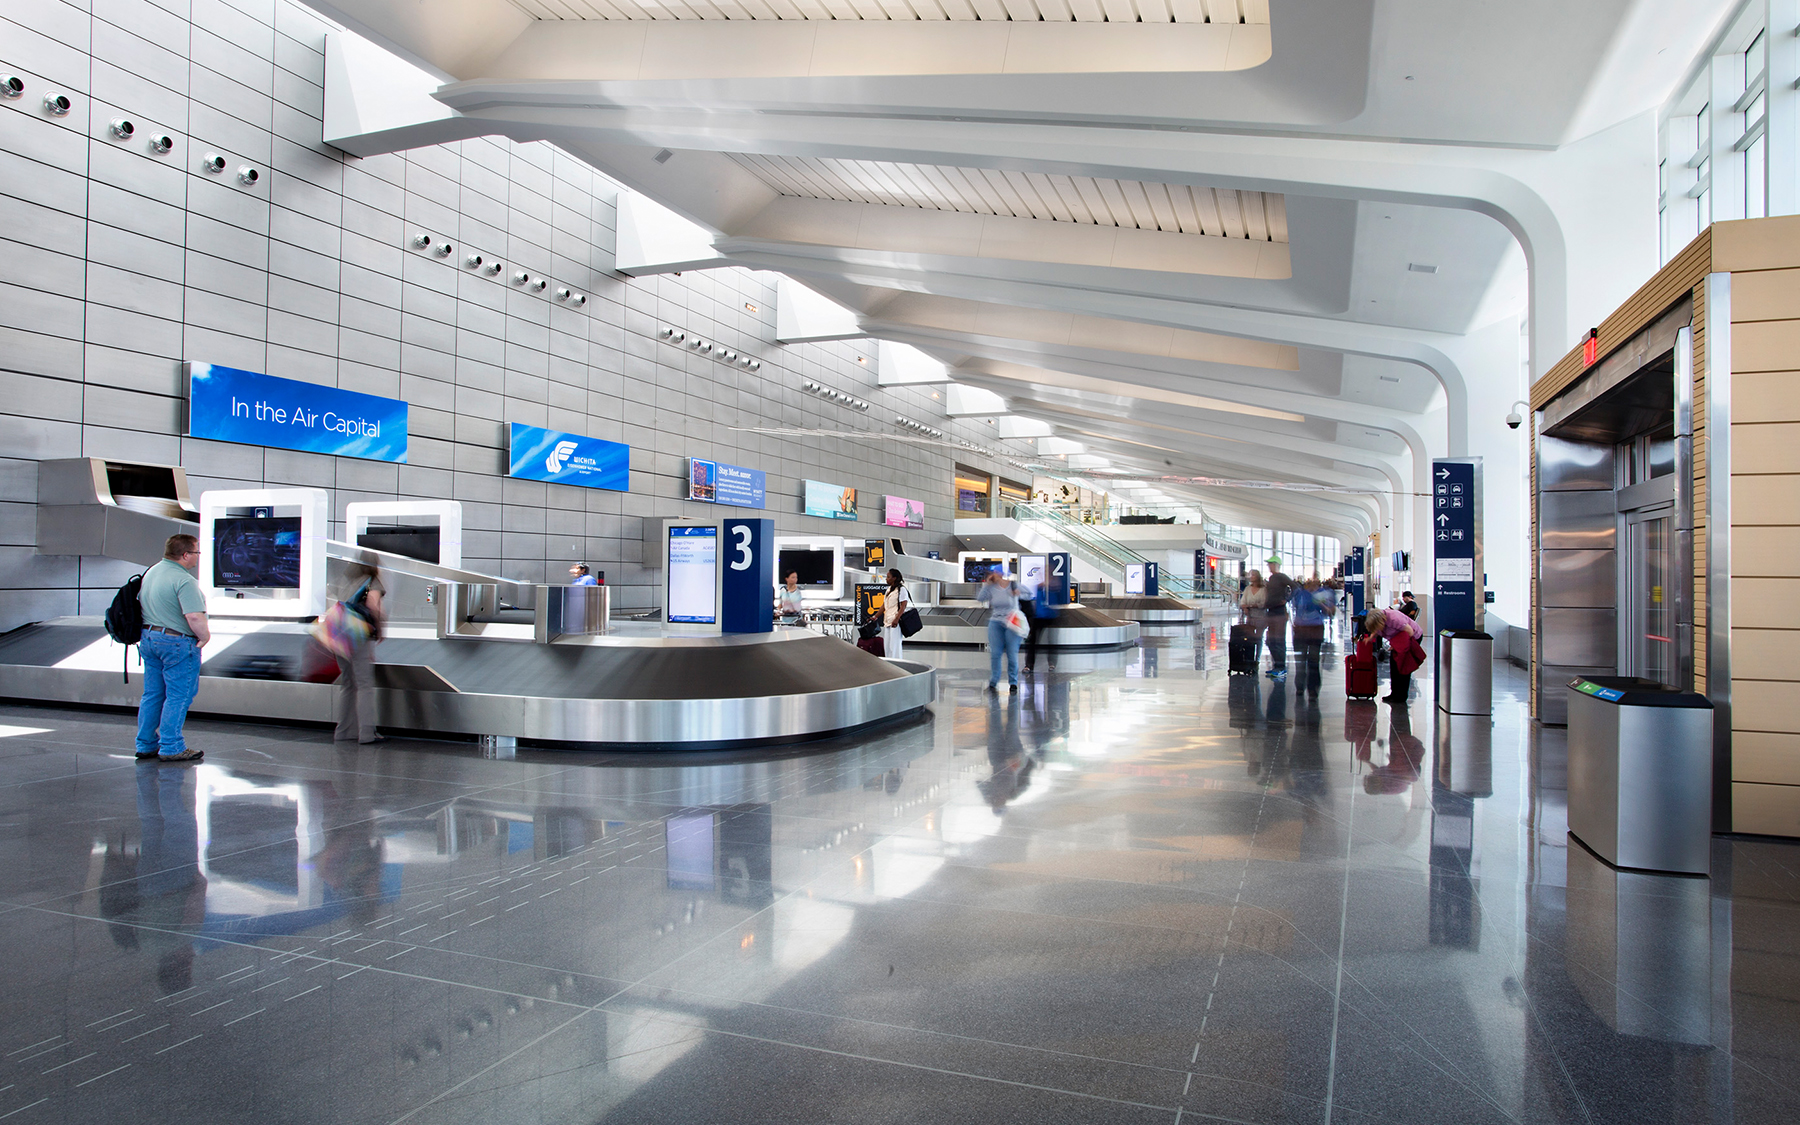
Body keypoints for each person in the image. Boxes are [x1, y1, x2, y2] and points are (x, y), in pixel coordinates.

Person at [135, 533, 210, 763]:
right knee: (179, 695)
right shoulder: (185, 580)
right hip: (176, 643)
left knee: (153, 694)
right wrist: (205, 637)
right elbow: (194, 616)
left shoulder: (152, 571)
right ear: (185, 554)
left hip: (148, 639)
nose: (198, 557)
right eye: (196, 552)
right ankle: (171, 746)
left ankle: (145, 744)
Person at [334, 563, 387, 744]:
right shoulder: (373, 582)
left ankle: (343, 731)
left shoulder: (348, 581)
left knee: (348, 685)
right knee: (364, 685)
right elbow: (373, 605)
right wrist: (380, 629)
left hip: (339, 634)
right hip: (358, 635)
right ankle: (366, 734)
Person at [1364, 606, 1426, 706]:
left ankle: (1401, 696)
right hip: (1398, 639)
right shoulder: (1379, 622)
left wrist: (1398, 644)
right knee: (1394, 665)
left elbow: (1410, 632)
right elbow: (1375, 629)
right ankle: (1394, 694)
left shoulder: (1394, 618)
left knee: (1403, 666)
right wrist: (1370, 638)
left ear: (1380, 622)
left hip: (1412, 637)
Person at [977, 569, 1024, 692]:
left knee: (1012, 653)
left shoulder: (1014, 585)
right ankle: (993, 681)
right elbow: (980, 598)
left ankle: (1013, 682)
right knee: (995, 653)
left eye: (996, 572)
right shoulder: (991, 588)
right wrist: (986, 585)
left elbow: (1028, 594)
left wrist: (1018, 594)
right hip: (996, 621)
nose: (994, 575)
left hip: (1012, 622)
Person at [1290, 575, 1330, 699]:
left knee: (1313, 661)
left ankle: (1312, 689)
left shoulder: (1321, 594)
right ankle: (1300, 687)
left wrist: (1322, 604)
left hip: (1315, 630)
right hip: (1301, 630)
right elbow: (1294, 607)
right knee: (1301, 661)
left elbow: (1329, 611)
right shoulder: (1299, 593)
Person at [1262, 556, 1294, 681]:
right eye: (1268, 564)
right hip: (1271, 611)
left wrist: (1286, 600)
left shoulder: (1281, 577)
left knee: (1278, 640)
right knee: (1271, 640)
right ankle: (1277, 665)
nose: (1269, 566)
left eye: (1271, 564)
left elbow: (1295, 587)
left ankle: (1281, 667)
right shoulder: (1272, 578)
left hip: (1278, 612)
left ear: (1276, 564)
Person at [880, 568, 913, 660]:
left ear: (894, 578)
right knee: (887, 645)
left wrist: (897, 618)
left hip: (895, 622)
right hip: (887, 621)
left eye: (888, 577)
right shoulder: (889, 590)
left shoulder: (901, 590)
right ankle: (889, 662)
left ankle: (896, 663)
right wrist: (875, 617)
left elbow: (903, 605)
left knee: (894, 646)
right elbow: (884, 606)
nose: (886, 579)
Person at [1239, 569, 1267, 667]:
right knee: (1250, 638)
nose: (1251, 577)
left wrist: (1251, 605)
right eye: (1251, 575)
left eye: (1254, 575)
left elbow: (1263, 603)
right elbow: (1243, 601)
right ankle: (1249, 658)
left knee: (1258, 638)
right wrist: (1246, 607)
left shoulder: (1263, 589)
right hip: (1250, 617)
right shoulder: (1247, 589)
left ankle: (1257, 657)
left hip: (1261, 617)